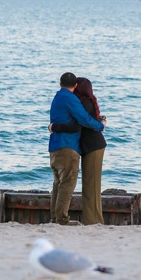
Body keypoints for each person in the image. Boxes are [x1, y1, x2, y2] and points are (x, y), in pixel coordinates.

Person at [47, 72, 106, 225]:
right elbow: (83, 120)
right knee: (67, 183)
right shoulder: (71, 99)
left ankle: (55, 218)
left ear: (60, 83)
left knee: (58, 183)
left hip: (54, 146)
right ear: (75, 86)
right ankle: (61, 219)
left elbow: (67, 122)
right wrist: (101, 125)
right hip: (68, 146)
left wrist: (54, 127)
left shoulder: (57, 98)